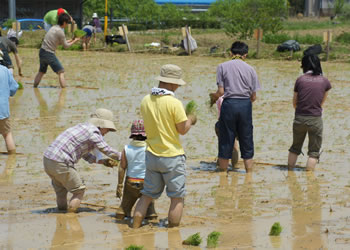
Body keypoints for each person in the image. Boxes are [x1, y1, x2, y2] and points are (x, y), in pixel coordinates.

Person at [132, 64, 196, 228]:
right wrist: (190, 120)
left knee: (146, 195)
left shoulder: (146, 100)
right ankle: (173, 233)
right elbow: (182, 130)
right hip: (172, 157)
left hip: (152, 155)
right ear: (173, 84)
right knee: (176, 197)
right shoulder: (174, 103)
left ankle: (134, 227)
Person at [43, 108, 122, 212]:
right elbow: (107, 150)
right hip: (61, 162)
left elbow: (84, 155)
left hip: (48, 159)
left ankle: (61, 214)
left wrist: (103, 162)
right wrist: (125, 156)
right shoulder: (93, 132)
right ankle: (70, 216)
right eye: (108, 129)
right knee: (79, 191)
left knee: (61, 191)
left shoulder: (82, 127)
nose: (107, 132)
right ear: (101, 125)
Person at [209, 41, 261, 173]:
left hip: (229, 104)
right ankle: (249, 173)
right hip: (245, 105)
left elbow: (221, 92)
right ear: (245, 55)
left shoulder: (222, 66)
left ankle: (223, 173)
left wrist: (212, 96)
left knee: (226, 139)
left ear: (230, 53)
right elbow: (253, 97)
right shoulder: (251, 69)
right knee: (246, 138)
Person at [287, 55, 331, 171]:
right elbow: (322, 102)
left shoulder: (300, 80)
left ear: (304, 66)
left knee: (295, 147)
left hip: (299, 118)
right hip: (315, 118)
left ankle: (290, 172)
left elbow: (294, 102)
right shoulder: (324, 81)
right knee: (314, 152)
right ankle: (309, 178)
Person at [115, 119, 157, 220]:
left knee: (124, 207)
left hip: (131, 182)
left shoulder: (126, 148)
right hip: (146, 183)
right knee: (149, 207)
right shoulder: (150, 148)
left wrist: (120, 185)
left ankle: (121, 218)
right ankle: (150, 216)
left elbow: (122, 167)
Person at [34, 13, 80, 88]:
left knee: (41, 72)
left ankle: (34, 87)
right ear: (64, 22)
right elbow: (65, 46)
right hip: (49, 53)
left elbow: (58, 43)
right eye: (67, 23)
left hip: (42, 52)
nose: (67, 25)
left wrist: (71, 40)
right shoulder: (60, 32)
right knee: (61, 71)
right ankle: (64, 90)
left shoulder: (53, 28)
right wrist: (75, 41)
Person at [0, 50, 19, 154]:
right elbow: (14, 88)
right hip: (2, 111)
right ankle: (12, 158)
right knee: (7, 134)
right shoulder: (5, 71)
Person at [215, 96, 239, 168]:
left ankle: (220, 165)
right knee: (234, 145)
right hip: (233, 124)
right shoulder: (236, 98)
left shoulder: (220, 99)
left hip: (221, 124)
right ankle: (235, 166)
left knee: (222, 145)